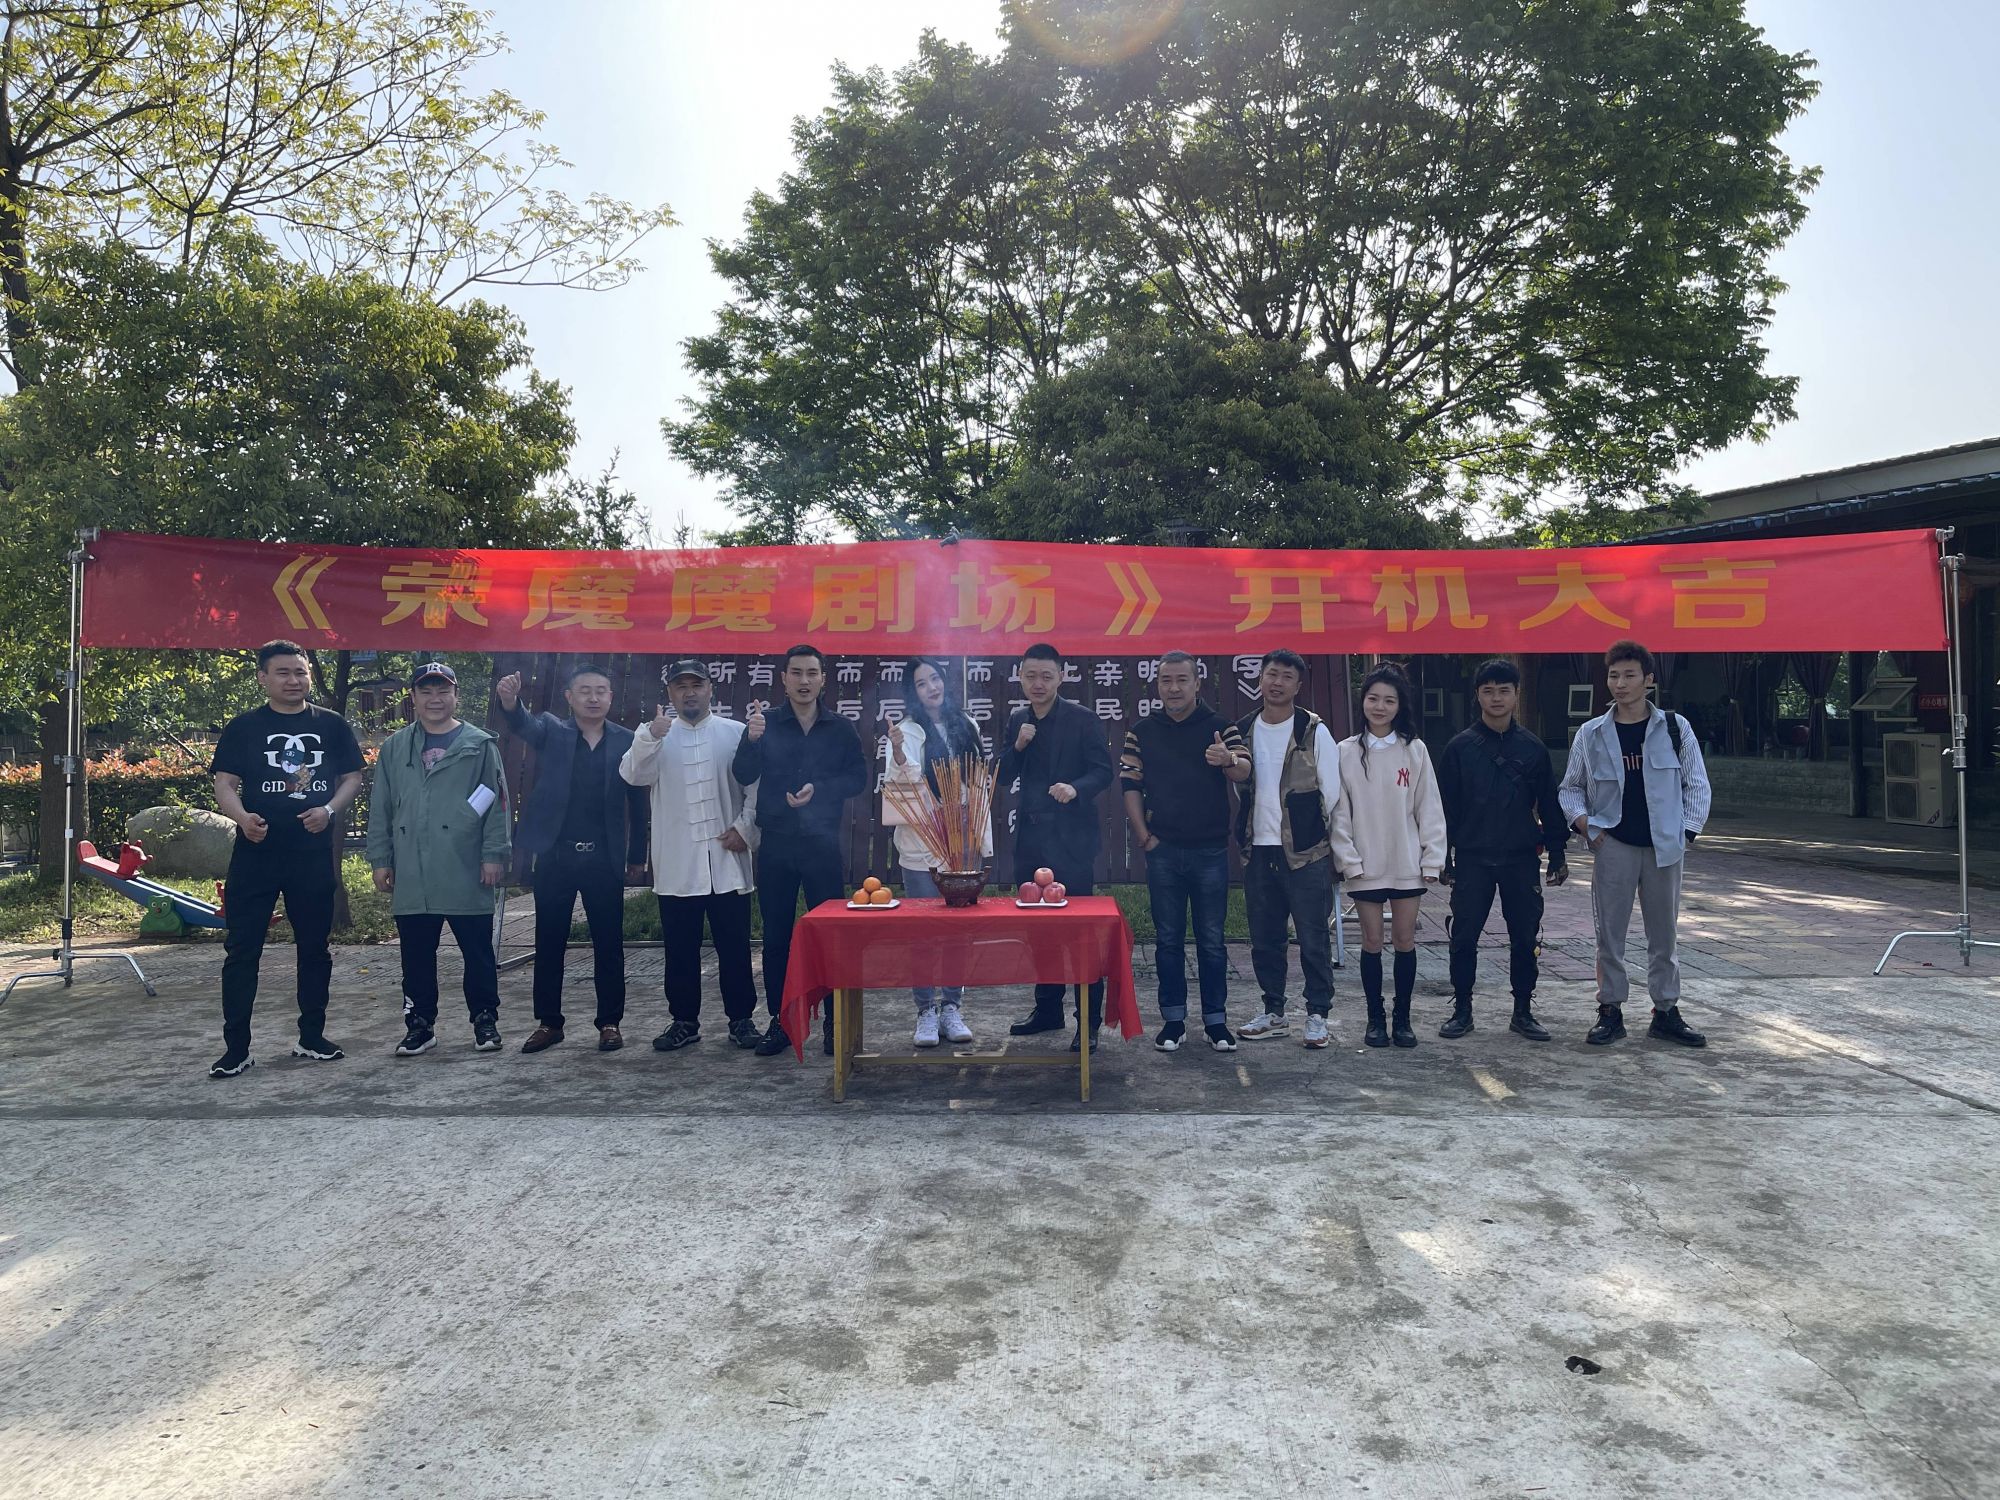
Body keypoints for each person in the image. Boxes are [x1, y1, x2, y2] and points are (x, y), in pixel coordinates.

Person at [206, 640, 366, 1078]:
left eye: (300, 672)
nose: (293, 680)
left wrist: (328, 810)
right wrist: (242, 818)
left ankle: (312, 1036)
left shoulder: (331, 724)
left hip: (311, 854)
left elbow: (353, 777)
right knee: (242, 951)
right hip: (256, 854)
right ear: (263, 678)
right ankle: (236, 1049)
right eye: (283, 672)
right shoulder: (244, 727)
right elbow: (224, 784)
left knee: (314, 948)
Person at [1559, 639, 1712, 1048]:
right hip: (1614, 845)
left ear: (1648, 680)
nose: (1621, 684)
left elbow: (1696, 783)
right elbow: (1570, 787)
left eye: (1630, 675)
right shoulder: (1591, 734)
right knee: (1609, 935)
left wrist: (1686, 831)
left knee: (1665, 935)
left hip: (1664, 848)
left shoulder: (1676, 728)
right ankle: (1610, 1010)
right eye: (1614, 675)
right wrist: (1586, 825)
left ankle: (1666, 1011)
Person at [495, 664, 649, 1054]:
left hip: (604, 859)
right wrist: (511, 702)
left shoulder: (627, 740)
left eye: (601, 691)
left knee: (609, 944)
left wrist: (636, 855)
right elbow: (524, 725)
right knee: (549, 942)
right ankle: (549, 1023)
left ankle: (610, 1022)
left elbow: (638, 801)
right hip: (556, 856)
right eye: (584, 690)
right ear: (569, 696)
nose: (593, 698)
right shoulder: (553, 731)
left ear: (611, 697)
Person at [731, 643, 870, 1058]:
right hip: (777, 844)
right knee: (776, 938)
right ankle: (781, 1020)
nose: (804, 681)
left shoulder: (840, 728)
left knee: (828, 935)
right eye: (796, 673)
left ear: (823, 679)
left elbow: (858, 778)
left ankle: (833, 1021)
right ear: (784, 679)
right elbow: (743, 773)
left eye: (812, 673)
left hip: (822, 845)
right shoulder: (765, 723)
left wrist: (819, 790)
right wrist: (751, 740)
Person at [365, 663, 511, 1057]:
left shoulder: (479, 745)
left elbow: (496, 802)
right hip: (412, 867)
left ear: (455, 696)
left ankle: (485, 1020)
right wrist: (380, 858)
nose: (435, 699)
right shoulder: (395, 747)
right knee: (415, 955)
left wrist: (493, 854)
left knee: (477, 952)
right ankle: (420, 1025)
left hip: (465, 863)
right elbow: (381, 807)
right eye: (426, 691)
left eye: (443, 691)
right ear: (413, 697)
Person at [619, 659, 763, 1053]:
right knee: (680, 949)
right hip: (678, 863)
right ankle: (684, 1021)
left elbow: (755, 787)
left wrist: (745, 828)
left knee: (735, 948)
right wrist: (650, 736)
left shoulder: (734, 733)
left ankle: (742, 1019)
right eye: (681, 686)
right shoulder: (655, 735)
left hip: (726, 860)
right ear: (670, 693)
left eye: (696, 685)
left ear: (710, 689)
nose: (689, 693)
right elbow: (633, 775)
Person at [1120, 650, 1249, 1053]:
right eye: (1166, 681)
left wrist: (1227, 759)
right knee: (1168, 940)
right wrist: (1145, 836)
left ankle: (1216, 1022)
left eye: (1181, 680)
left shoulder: (1220, 727)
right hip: (1163, 850)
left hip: (1209, 851)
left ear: (1197, 683)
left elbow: (1244, 770)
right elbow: (1130, 785)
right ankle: (1173, 1021)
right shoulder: (1142, 731)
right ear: (1157, 685)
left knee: (1212, 940)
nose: (1173, 688)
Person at [1436, 658, 1569, 1042]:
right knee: (1464, 937)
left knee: (1525, 937)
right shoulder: (1459, 748)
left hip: (1520, 857)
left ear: (1516, 694)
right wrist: (1443, 857)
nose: (1496, 698)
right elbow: (1445, 809)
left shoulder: (1533, 748)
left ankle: (1523, 1011)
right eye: (1488, 690)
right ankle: (1462, 1010)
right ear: (1477, 695)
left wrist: (1557, 854)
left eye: (1504, 690)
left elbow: (1550, 803)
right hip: (1473, 857)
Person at [998, 642, 1115, 1051]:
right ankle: (1048, 1009)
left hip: (1072, 842)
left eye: (1046, 676)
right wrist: (1017, 746)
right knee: (1039, 933)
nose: (1038, 683)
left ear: (1061, 677)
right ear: (1020, 677)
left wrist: (1075, 788)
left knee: (1080, 935)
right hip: (1031, 842)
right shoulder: (1018, 720)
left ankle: (1089, 1022)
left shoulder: (1083, 719)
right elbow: (1001, 775)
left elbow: (1103, 771)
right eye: (1030, 675)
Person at [1330, 663, 1446, 1049]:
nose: (1380, 707)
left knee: (1404, 940)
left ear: (1400, 706)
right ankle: (1375, 1017)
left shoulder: (1414, 750)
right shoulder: (1346, 752)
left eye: (1389, 701)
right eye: (1373, 698)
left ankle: (1403, 1018)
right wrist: (1349, 861)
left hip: (1406, 864)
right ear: (1362, 701)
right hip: (1364, 866)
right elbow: (1339, 813)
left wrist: (1432, 859)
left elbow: (1429, 808)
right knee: (1372, 941)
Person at [1233, 648, 1343, 1049]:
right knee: (1265, 937)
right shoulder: (1244, 729)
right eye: (1271, 674)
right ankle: (1273, 1012)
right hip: (1259, 850)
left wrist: (1310, 831)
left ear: (1298, 685)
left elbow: (1331, 791)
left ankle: (1318, 1015)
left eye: (1286, 677)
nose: (1276, 683)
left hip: (1305, 852)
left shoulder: (1313, 730)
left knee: (1313, 937)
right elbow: (1241, 788)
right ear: (1260, 679)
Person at [884, 657, 989, 1048]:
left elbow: (978, 783)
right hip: (921, 847)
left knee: (958, 932)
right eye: (922, 683)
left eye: (935, 678)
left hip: (961, 846)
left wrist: (977, 836)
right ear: (912, 692)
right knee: (924, 932)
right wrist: (898, 754)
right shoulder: (905, 731)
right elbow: (901, 787)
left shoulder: (968, 724)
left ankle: (952, 1007)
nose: (932, 687)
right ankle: (925, 1009)